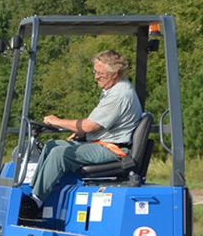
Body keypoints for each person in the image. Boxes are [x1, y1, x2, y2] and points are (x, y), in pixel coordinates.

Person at [20, 49, 142, 218]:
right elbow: (98, 125)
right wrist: (81, 134)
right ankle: (35, 195)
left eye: (100, 73)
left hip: (113, 150)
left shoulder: (119, 95)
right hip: (104, 142)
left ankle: (34, 205)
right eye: (95, 72)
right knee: (52, 144)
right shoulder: (113, 90)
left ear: (114, 73)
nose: (96, 77)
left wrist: (57, 121)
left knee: (60, 153)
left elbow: (89, 125)